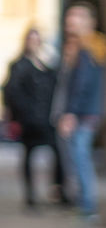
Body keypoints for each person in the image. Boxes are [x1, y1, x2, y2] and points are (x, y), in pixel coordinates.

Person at [51, 3, 106, 228]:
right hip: (85, 114)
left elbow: (81, 85)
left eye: (76, 17)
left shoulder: (88, 48)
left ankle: (88, 209)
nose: (70, 22)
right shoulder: (80, 48)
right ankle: (84, 206)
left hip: (82, 115)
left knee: (81, 160)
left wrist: (71, 113)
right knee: (78, 160)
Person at [3, 26, 63, 210]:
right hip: (28, 120)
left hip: (46, 118)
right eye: (31, 40)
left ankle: (57, 190)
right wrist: (20, 115)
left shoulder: (45, 64)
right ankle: (30, 195)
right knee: (29, 156)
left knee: (57, 153)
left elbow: (55, 83)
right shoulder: (18, 65)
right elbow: (11, 91)